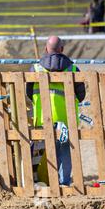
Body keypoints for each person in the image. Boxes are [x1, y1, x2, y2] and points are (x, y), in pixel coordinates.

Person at [26, 36, 86, 185]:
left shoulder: (35, 68)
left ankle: (47, 182)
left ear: (46, 49)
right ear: (62, 50)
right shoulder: (73, 69)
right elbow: (81, 95)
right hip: (67, 119)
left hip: (42, 118)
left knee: (45, 152)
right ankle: (64, 183)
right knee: (65, 151)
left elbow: (28, 92)